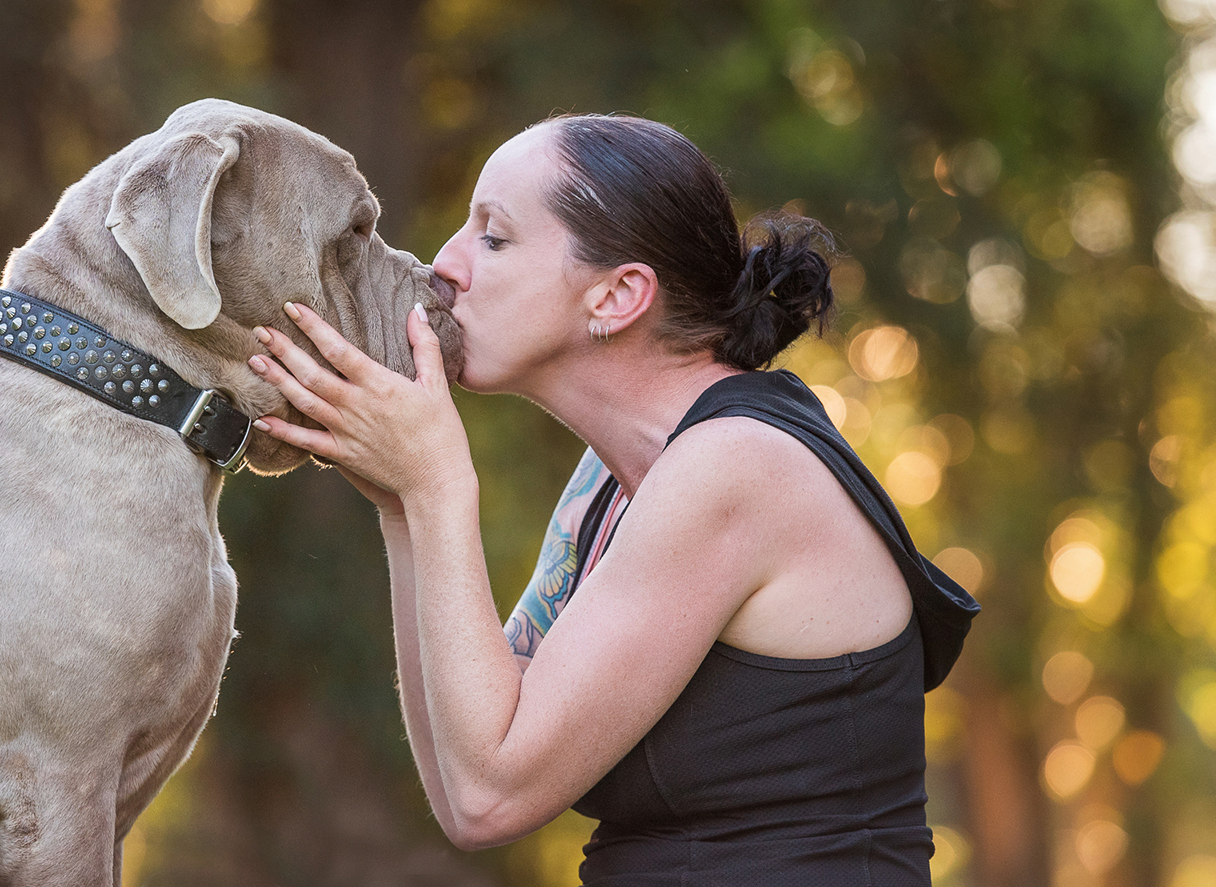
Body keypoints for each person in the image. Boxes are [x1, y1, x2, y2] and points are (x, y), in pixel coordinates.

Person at [244, 113, 979, 885]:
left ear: (619, 294)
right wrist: (403, 506)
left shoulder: (738, 468)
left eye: (493, 238)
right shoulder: (609, 481)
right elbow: (466, 786)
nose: (445, 265)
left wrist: (438, 486)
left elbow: (492, 795)